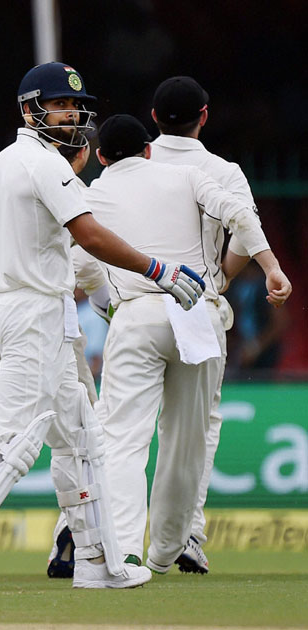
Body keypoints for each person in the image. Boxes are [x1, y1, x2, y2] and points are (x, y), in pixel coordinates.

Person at [0, 62, 205, 592]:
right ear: (29, 110)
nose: (71, 114)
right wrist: (157, 269)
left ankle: (97, 561)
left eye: (74, 106)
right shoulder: (45, 165)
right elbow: (88, 235)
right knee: (15, 438)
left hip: (22, 310)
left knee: (82, 437)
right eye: (59, 105)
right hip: (35, 310)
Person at [86, 114, 291, 574]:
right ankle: (165, 550)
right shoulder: (187, 175)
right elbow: (240, 215)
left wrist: (109, 307)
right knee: (187, 440)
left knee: (122, 438)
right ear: (148, 148)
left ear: (100, 157)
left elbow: (84, 263)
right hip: (196, 311)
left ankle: (124, 551)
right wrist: (272, 267)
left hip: (137, 313)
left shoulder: (92, 193)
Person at [149, 76, 292, 572]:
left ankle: (106, 536)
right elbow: (243, 228)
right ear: (204, 117)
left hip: (135, 304)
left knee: (121, 428)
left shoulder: (131, 163)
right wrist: (223, 275)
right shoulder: (221, 170)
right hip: (195, 306)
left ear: (152, 117)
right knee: (196, 427)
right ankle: (186, 533)